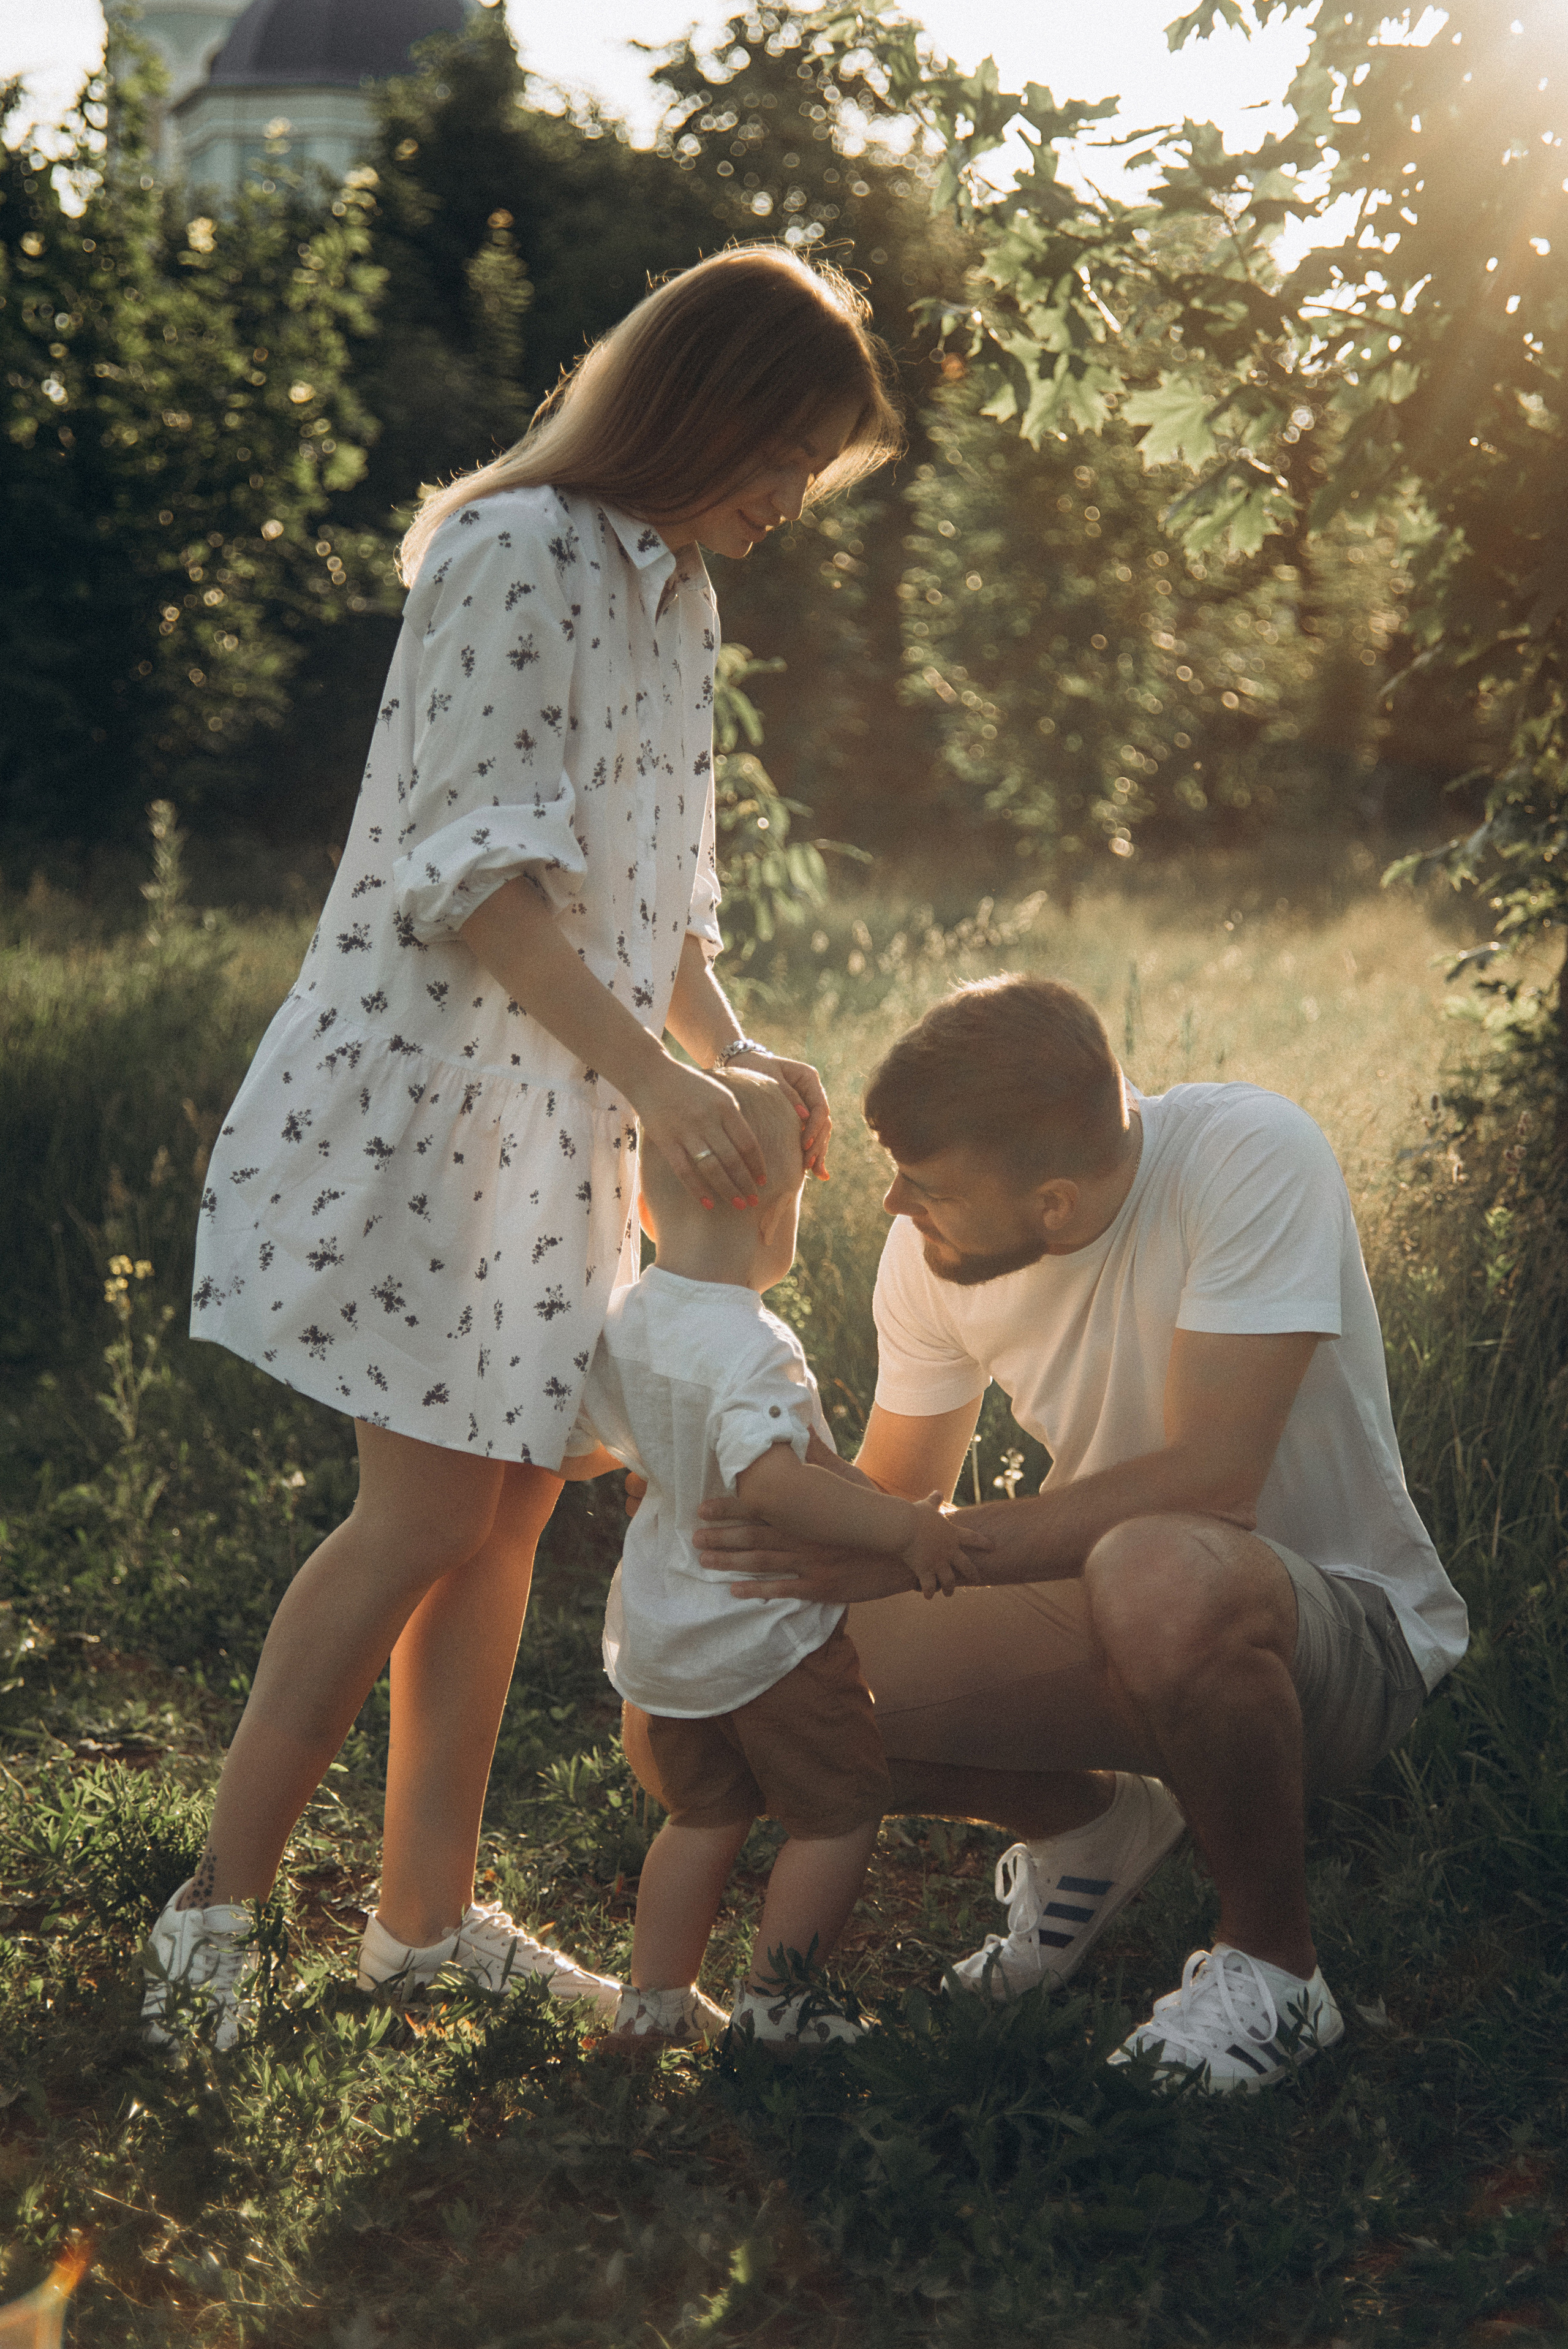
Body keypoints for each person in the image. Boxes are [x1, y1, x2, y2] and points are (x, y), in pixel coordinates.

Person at [140, 246, 903, 2049]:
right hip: (435, 1097)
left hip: (566, 1104)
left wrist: (729, 1046)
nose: (788, 499)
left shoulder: (681, 588)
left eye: (815, 470)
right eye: (779, 450)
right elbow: (489, 884)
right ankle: (209, 1914)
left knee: (508, 1512)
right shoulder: (513, 553)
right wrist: (657, 1081)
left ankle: (421, 1919)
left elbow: (663, 886)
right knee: (416, 1511)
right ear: (696, 398)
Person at [693, 974, 1468, 2092]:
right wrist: (724, 1455)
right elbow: (891, 1500)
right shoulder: (932, 1254)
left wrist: (915, 1547)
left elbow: (1214, 1483)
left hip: (1330, 1633)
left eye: (924, 1187)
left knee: (1156, 1565)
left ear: (1053, 1204)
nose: (894, 1207)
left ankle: (1275, 1972)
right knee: (755, 1664)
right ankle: (1094, 1832)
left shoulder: (1249, 1156)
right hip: (1114, 1607)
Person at [563, 1070, 984, 2052]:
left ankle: (654, 2007)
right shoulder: (755, 1343)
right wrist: (905, 1530)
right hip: (770, 1633)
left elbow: (596, 1444)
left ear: (650, 1211)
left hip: (672, 1636)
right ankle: (777, 2008)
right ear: (774, 1215)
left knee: (701, 1821)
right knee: (835, 1817)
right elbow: (770, 1486)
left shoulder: (625, 1321)